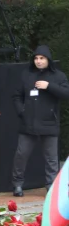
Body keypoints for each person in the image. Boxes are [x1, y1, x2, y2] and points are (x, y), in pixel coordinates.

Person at [11, 45, 69, 197]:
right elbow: (17, 95)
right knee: (21, 155)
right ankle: (17, 184)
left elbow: (66, 93)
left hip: (49, 123)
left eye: (42, 58)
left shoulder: (58, 76)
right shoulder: (26, 75)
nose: (38, 61)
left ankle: (51, 186)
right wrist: (21, 111)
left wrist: (49, 86)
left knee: (51, 159)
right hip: (28, 123)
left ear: (48, 60)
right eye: (36, 58)